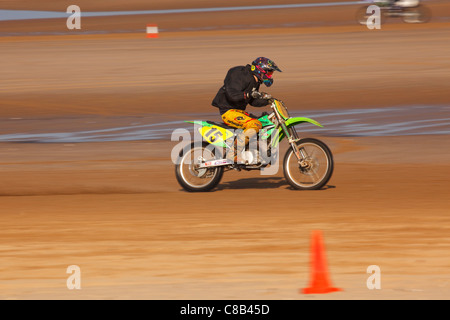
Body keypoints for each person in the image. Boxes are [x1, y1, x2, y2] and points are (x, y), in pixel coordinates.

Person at [212, 57, 282, 163]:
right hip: (228, 111)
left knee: (266, 121)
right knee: (255, 125)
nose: (270, 76)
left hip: (239, 112)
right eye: (269, 73)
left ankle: (258, 152)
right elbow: (232, 95)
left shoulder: (255, 81)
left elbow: (252, 101)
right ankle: (232, 154)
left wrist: (269, 101)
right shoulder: (240, 74)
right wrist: (248, 94)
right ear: (261, 70)